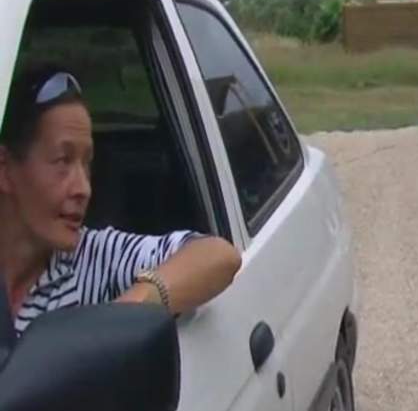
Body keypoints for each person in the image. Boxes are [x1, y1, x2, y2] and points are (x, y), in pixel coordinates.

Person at [0, 66, 242, 336]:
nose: (83, 188)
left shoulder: (89, 258)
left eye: (87, 163)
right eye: (63, 161)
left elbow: (219, 255)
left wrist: (120, 317)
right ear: (5, 169)